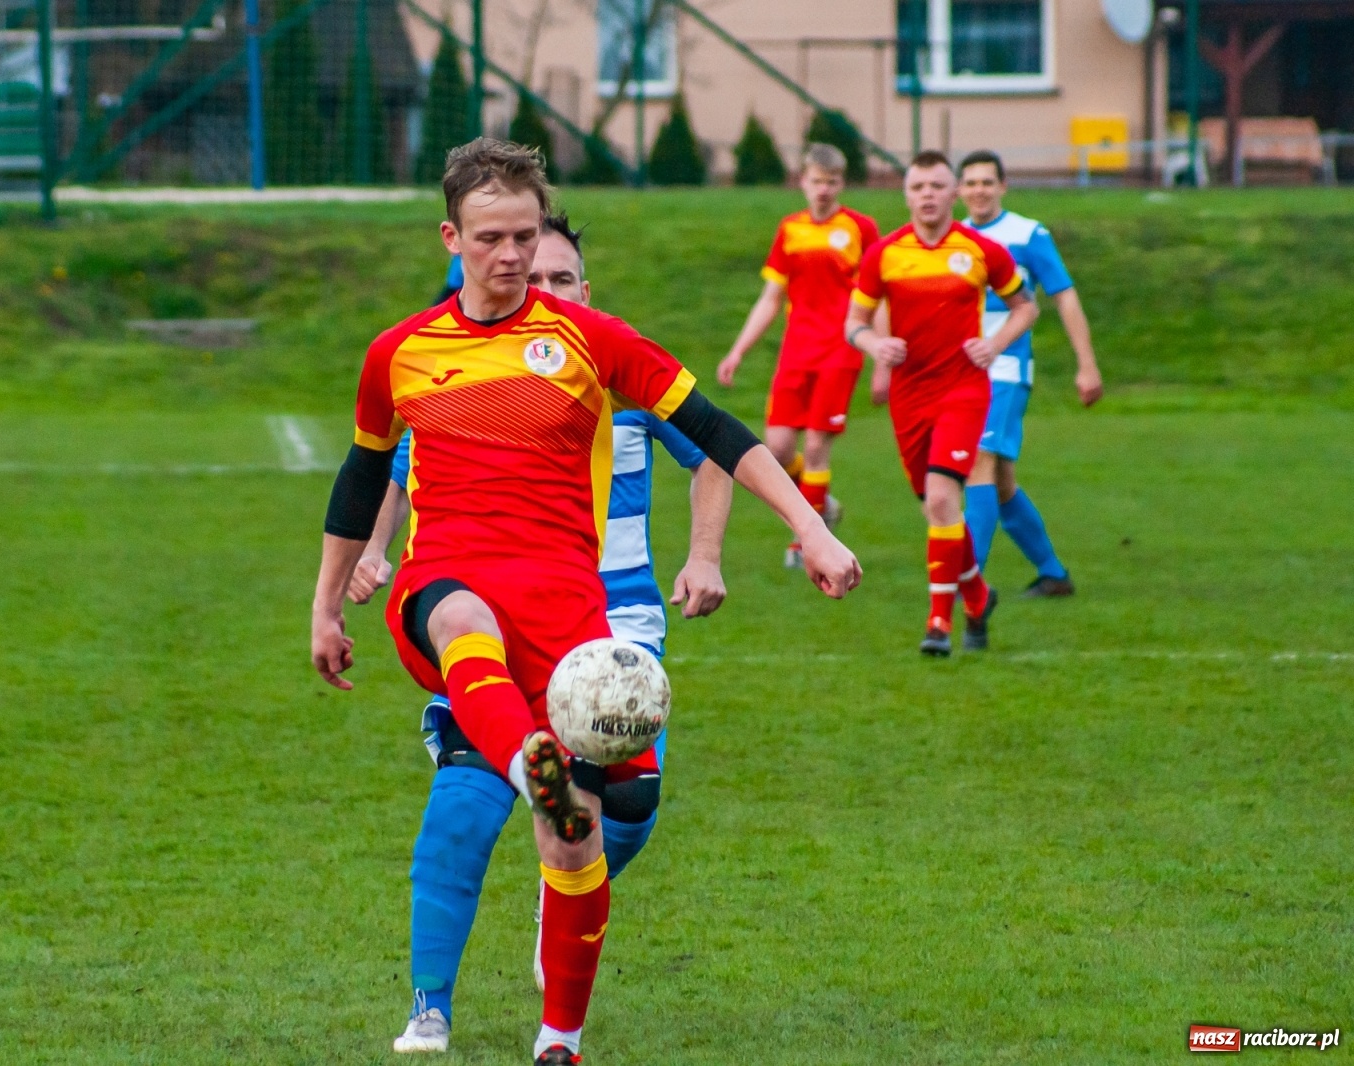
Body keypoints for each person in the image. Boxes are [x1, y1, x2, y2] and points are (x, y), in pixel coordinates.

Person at [311, 138, 861, 1065]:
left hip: (570, 624)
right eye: (491, 238)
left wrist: (812, 528)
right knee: (463, 624)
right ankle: (530, 768)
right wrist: (326, 606)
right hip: (441, 585)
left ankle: (559, 1038)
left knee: (577, 845)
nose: (513, 255)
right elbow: (360, 482)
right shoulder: (399, 354)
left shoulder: (590, 341)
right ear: (452, 236)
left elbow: (716, 431)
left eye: (525, 235)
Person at [347, 213, 735, 1054]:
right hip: (492, 609)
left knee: (627, 803)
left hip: (613, 623)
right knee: (468, 795)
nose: (543, 290)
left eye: (562, 280)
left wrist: (704, 555)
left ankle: (559, 900)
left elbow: (714, 452)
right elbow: (398, 470)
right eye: (535, 277)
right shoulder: (474, 383)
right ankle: (430, 1007)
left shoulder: (616, 373)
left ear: (584, 293)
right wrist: (372, 554)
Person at [842, 150, 1038, 656]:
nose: (927, 195)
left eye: (936, 186)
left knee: (943, 500)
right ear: (906, 194)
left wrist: (994, 345)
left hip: (964, 391)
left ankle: (939, 624)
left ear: (953, 194)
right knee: (938, 507)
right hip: (909, 396)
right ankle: (977, 595)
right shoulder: (884, 254)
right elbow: (853, 323)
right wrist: (875, 346)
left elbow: (1026, 307)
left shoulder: (980, 250)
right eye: (918, 187)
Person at [717, 143, 880, 566]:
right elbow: (772, 298)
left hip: (841, 351)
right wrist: (737, 351)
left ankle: (805, 541)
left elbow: (876, 298)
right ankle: (821, 506)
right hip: (796, 351)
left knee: (817, 445)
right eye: (815, 181)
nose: (823, 189)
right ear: (802, 181)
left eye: (831, 182)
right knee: (779, 447)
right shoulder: (790, 229)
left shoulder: (861, 229)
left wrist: (882, 356)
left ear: (842, 183)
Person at [956, 149, 1104, 596]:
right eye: (971, 182)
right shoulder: (952, 238)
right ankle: (1054, 575)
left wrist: (1087, 364)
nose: (979, 190)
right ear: (960, 190)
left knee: (978, 463)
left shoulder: (1027, 234)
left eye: (987, 181)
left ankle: (969, 587)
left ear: (1003, 186)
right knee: (1001, 485)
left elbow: (1065, 297)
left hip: (1006, 369)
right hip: (960, 375)